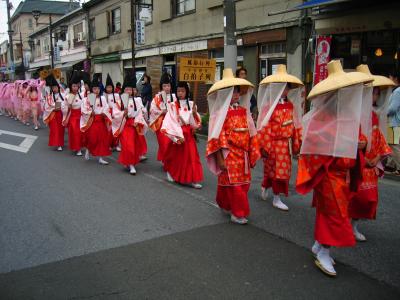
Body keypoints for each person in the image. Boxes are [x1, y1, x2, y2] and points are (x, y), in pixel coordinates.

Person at [296, 60, 373, 277]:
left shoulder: (349, 116)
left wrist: (361, 144)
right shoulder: (321, 117)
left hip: (343, 174)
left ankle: (320, 246)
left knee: (332, 213)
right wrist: (341, 143)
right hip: (328, 173)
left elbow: (360, 137)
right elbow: (313, 143)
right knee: (334, 215)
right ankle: (323, 251)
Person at [206, 69, 260, 225]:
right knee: (234, 185)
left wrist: (253, 152)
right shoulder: (218, 115)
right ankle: (238, 213)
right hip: (228, 153)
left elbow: (251, 133)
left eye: (237, 92)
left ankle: (224, 203)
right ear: (225, 94)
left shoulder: (244, 112)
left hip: (243, 154)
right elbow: (217, 137)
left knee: (242, 184)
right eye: (233, 92)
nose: (236, 95)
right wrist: (220, 158)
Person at [348, 65, 393, 241]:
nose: (375, 97)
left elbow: (380, 138)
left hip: (370, 164)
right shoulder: (351, 114)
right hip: (355, 163)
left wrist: (377, 157)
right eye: (373, 93)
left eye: (376, 94)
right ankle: (345, 225)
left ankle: (354, 225)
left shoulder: (374, 116)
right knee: (353, 196)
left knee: (367, 199)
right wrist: (358, 150)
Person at [256, 65, 303, 211]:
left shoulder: (290, 105)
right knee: (274, 171)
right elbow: (264, 127)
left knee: (282, 172)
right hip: (274, 143)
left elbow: (295, 124)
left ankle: (270, 189)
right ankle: (276, 196)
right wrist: (266, 146)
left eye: (287, 88)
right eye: (283, 88)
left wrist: (298, 141)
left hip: (286, 144)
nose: (286, 91)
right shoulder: (268, 107)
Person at [161, 81, 203, 188]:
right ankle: (171, 172)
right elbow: (171, 121)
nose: (180, 93)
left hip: (188, 134)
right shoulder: (172, 105)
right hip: (178, 133)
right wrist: (178, 135)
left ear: (187, 92)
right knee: (176, 157)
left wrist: (194, 114)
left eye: (183, 91)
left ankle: (193, 179)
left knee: (192, 157)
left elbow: (194, 124)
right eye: (178, 91)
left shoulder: (192, 104)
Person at [112, 75, 148, 175]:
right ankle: (131, 165)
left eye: (130, 89)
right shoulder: (119, 102)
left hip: (134, 125)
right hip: (124, 125)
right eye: (126, 89)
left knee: (134, 145)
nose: (128, 91)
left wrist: (138, 119)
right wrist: (122, 113)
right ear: (123, 90)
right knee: (128, 145)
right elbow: (114, 114)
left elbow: (141, 112)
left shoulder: (137, 100)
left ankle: (129, 162)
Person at [80, 74, 112, 165]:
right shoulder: (86, 99)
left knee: (102, 139)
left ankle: (101, 157)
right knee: (93, 139)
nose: (96, 90)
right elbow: (83, 110)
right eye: (94, 89)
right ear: (91, 89)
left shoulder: (103, 98)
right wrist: (90, 112)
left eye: (98, 89)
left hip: (101, 121)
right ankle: (88, 149)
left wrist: (104, 113)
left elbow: (106, 108)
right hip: (92, 121)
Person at [149, 73, 176, 163]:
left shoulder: (174, 97)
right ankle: (167, 161)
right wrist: (161, 112)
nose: (167, 88)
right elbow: (152, 110)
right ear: (161, 87)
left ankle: (167, 160)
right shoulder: (157, 98)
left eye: (168, 85)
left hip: (172, 123)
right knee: (164, 143)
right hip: (161, 123)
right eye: (164, 86)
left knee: (171, 143)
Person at [62, 72, 84, 156]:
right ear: (71, 87)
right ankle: (77, 148)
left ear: (78, 86)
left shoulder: (81, 95)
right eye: (73, 86)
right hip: (73, 116)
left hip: (81, 116)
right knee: (75, 133)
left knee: (81, 133)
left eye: (76, 86)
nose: (75, 87)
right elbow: (63, 107)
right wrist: (68, 107)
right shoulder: (68, 96)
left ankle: (79, 147)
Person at [43, 74, 66, 151]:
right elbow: (47, 106)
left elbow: (63, 104)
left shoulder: (62, 95)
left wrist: (57, 106)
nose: (54, 89)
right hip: (52, 114)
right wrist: (55, 107)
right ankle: (58, 144)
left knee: (60, 130)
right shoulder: (49, 96)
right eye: (53, 87)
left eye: (56, 87)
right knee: (55, 130)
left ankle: (60, 143)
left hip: (60, 114)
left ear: (58, 87)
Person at [387, 70, 400, 175]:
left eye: (390, 77)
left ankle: (398, 167)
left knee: (393, 145)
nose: (389, 79)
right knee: (394, 144)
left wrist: (383, 113)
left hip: (394, 122)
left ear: (395, 78)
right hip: (397, 122)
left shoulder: (397, 91)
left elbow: (392, 109)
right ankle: (391, 165)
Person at [104, 73, 121, 151]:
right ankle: (109, 145)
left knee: (116, 129)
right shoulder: (104, 96)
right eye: (108, 87)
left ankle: (116, 144)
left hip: (116, 112)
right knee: (109, 130)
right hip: (108, 113)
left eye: (110, 87)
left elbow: (119, 104)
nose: (109, 89)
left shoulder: (117, 95)